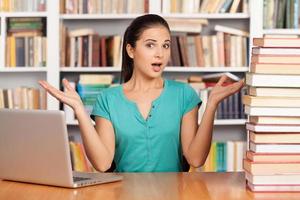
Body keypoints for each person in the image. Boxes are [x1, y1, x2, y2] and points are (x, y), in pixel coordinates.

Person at [39, 14, 244, 172]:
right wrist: (79, 110)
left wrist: (212, 105)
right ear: (131, 50)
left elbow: (196, 159)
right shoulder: (108, 99)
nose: (160, 54)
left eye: (165, 46)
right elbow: (102, 163)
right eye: (150, 45)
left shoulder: (184, 94)